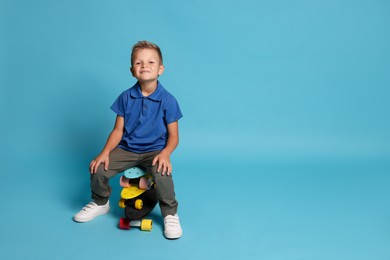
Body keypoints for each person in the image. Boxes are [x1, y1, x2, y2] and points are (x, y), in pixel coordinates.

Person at [73, 40, 183, 239]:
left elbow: (174, 136)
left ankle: (170, 214)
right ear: (133, 70)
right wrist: (105, 152)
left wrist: (165, 154)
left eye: (150, 62)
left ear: (160, 69)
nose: (145, 66)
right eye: (139, 63)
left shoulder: (168, 100)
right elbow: (117, 131)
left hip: (155, 151)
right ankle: (100, 202)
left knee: (162, 173)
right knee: (98, 168)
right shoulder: (125, 97)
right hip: (127, 149)